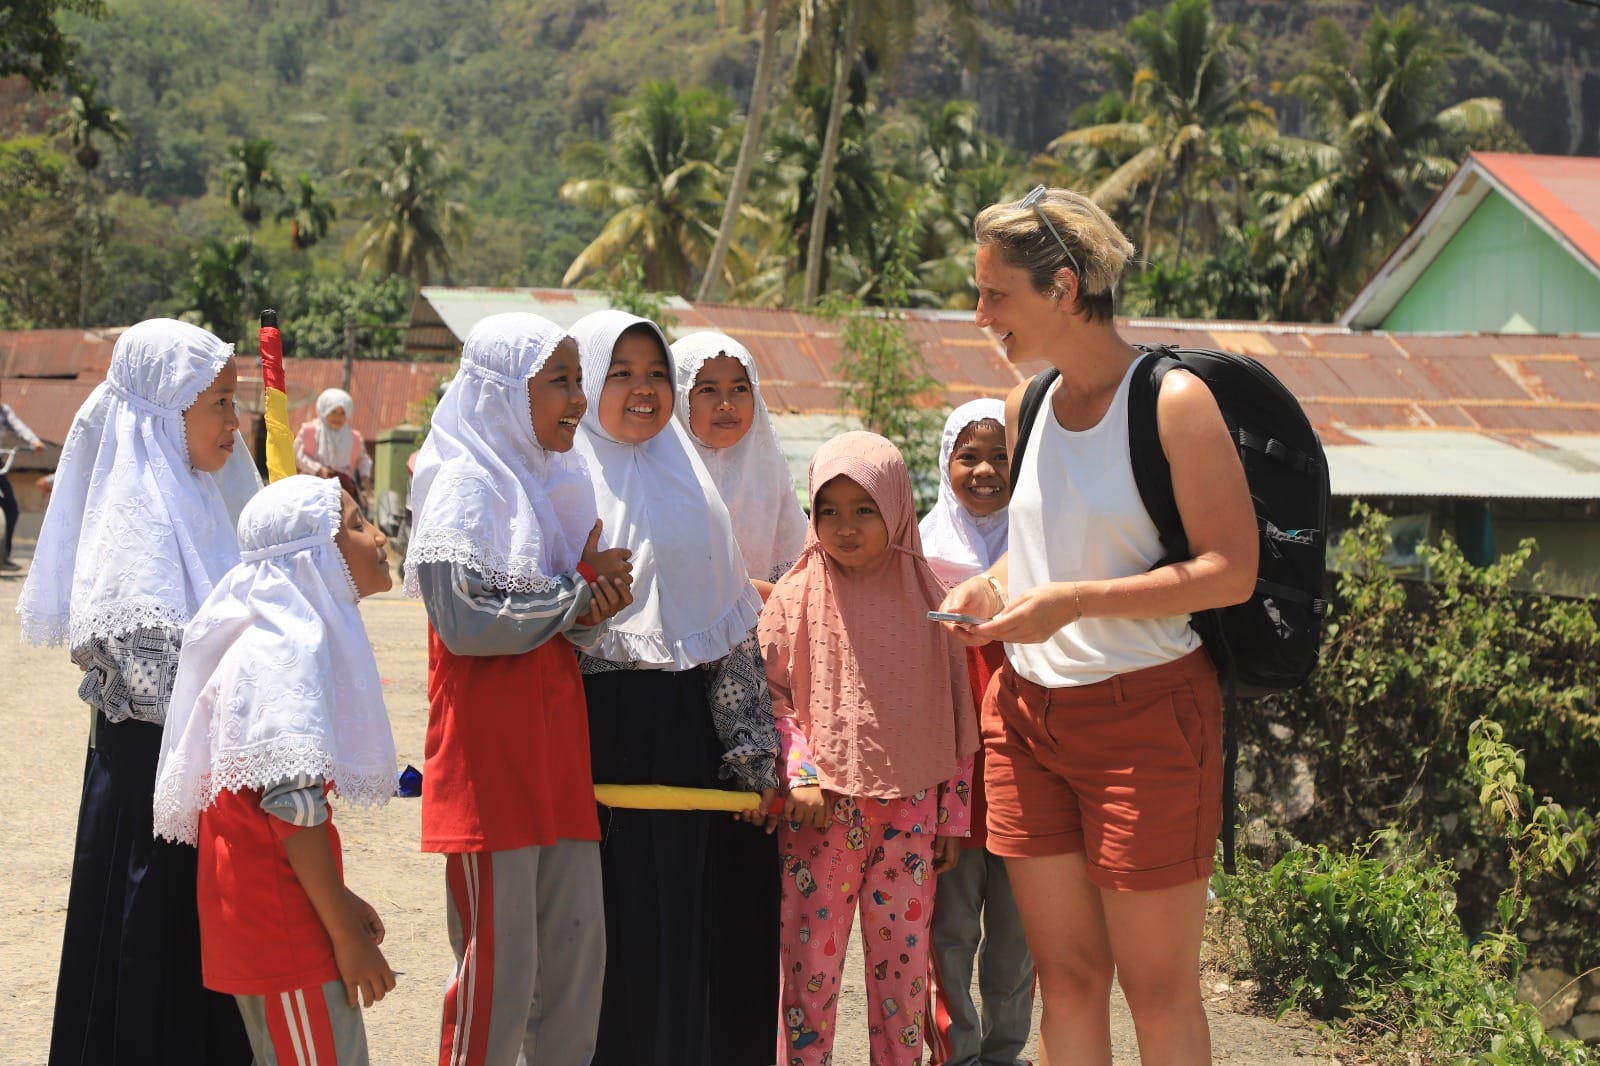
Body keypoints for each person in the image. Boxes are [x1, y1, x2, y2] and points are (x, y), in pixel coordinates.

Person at [938, 186, 1258, 1066]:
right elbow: (1039, 553)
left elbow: (1232, 570)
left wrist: (1071, 603)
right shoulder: (1025, 405)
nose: (979, 315)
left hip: (1147, 722)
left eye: (995, 293)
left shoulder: (1173, 402)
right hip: (1028, 719)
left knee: (1158, 996)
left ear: (1065, 289)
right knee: (1066, 980)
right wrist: (991, 591)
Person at [16, 318, 259, 1066]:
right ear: (162, 412)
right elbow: (157, 686)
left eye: (235, 400)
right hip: (150, 805)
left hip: (203, 789)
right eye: (217, 402)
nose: (234, 421)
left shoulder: (204, 502)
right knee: (145, 970)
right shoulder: (136, 527)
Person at [406, 312, 635, 1066]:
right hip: (489, 763)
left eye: (578, 380)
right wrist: (576, 595)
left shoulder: (549, 483)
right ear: (505, 393)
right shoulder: (465, 486)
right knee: (498, 982)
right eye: (559, 381)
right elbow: (465, 618)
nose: (577, 398)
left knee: (573, 973)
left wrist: (593, 602)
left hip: (554, 754)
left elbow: (551, 619)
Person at [571, 308, 780, 1066]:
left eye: (656, 373)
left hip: (686, 749)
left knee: (683, 925)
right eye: (621, 373)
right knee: (600, 937)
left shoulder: (694, 489)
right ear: (589, 382)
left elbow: (731, 633)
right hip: (590, 742)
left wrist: (754, 756)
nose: (643, 390)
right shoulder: (562, 484)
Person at [152, 475, 398, 1065]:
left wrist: (338, 897)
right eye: (357, 524)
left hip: (283, 914)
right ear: (313, 556)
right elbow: (293, 810)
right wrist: (343, 934)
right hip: (283, 928)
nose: (380, 536)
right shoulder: (280, 655)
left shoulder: (276, 641)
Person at [759, 430, 980, 1066]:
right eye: (829, 510)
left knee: (903, 977)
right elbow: (772, 698)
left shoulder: (931, 601)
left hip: (910, 818)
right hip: (819, 817)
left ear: (898, 509)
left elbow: (956, 715)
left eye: (865, 510)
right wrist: (799, 773)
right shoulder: (796, 596)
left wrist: (951, 816)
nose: (845, 527)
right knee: (808, 971)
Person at [919, 400, 1036, 1066]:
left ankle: (1006, 1054)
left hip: (1029, 771)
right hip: (953, 777)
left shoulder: (1046, 553)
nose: (986, 470)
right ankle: (954, 1054)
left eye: (1002, 457)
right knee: (951, 929)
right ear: (944, 464)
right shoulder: (922, 555)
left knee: (1019, 939)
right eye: (969, 456)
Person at [670, 330, 808, 597]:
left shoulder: (770, 477)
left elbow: (801, 573)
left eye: (739, 389)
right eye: (708, 390)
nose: (726, 404)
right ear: (679, 397)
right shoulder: (656, 479)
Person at [0, 380, 45, 570]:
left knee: (10, 508)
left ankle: (3, 557)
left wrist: (34, 441)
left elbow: (19, 427)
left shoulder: (3, 411)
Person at [297, 387, 373, 490]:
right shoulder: (309, 431)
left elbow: (363, 459)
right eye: (333, 412)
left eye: (342, 413)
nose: (337, 417)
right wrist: (318, 469)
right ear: (324, 410)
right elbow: (296, 455)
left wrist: (365, 477)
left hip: (342, 485)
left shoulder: (354, 438)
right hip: (311, 483)